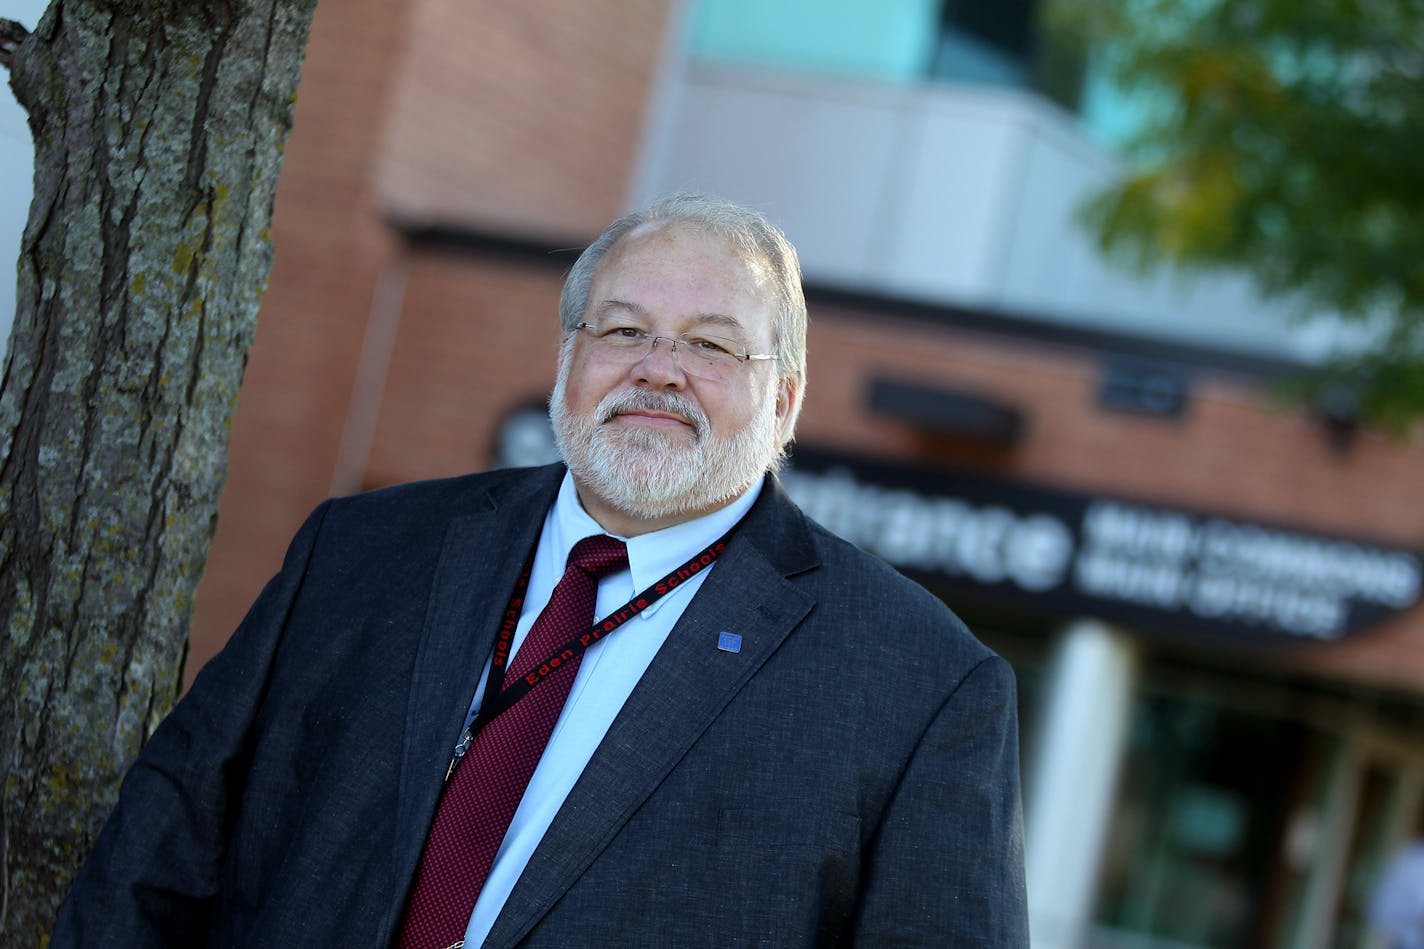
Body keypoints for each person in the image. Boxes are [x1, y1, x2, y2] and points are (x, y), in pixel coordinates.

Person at [54, 194, 1029, 946]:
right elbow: (164, 841)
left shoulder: (920, 687)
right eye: (622, 329)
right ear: (569, 357)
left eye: (711, 345)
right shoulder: (361, 554)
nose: (657, 367)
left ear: (782, 399)